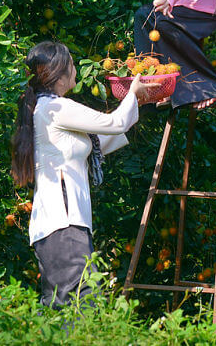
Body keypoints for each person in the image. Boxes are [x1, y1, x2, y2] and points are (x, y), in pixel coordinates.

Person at [10, 41, 155, 308]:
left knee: (63, 305)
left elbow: (98, 142)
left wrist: (144, 105)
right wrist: (133, 92)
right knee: (80, 304)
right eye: (72, 64)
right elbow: (114, 122)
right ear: (59, 74)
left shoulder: (45, 108)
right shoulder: (56, 108)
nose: (76, 69)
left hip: (61, 227)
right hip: (63, 225)